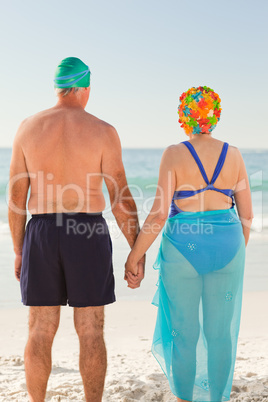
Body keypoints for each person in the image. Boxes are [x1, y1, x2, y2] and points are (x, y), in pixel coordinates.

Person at [8, 56, 145, 402]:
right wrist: (136, 250)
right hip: (87, 233)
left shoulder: (27, 128)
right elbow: (120, 196)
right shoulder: (102, 130)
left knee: (39, 329)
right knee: (90, 330)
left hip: (41, 231)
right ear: (84, 88)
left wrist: (19, 249)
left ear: (57, 89)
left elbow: (14, 197)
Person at [125, 86, 253, 402]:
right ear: (215, 115)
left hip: (183, 250)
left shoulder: (175, 154)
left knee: (183, 332)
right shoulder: (234, 155)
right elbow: (247, 216)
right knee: (220, 334)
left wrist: (134, 256)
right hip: (228, 248)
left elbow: (157, 214)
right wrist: (232, 252)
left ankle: (184, 398)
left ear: (184, 116)